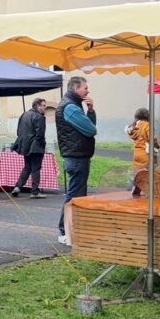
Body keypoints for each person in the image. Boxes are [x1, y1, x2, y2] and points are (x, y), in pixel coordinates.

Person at [55, 76, 96, 246]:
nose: (88, 90)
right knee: (74, 196)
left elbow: (90, 127)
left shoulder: (72, 105)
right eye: (85, 87)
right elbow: (91, 129)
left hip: (77, 155)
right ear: (75, 88)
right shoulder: (71, 107)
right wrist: (90, 114)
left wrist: (91, 110)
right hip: (76, 156)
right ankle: (65, 231)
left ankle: (72, 230)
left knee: (77, 195)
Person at [12, 98, 47, 198]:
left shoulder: (24, 115)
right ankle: (35, 191)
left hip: (25, 145)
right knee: (36, 169)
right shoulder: (39, 117)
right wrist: (42, 145)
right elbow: (40, 134)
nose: (45, 108)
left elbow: (19, 131)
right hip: (36, 146)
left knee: (27, 167)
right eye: (44, 105)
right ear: (38, 105)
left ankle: (18, 187)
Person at [126, 108, 159, 194]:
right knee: (150, 172)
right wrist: (156, 145)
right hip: (146, 153)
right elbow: (152, 138)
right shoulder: (147, 125)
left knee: (139, 172)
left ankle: (137, 187)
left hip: (137, 153)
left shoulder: (134, 126)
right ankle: (149, 191)